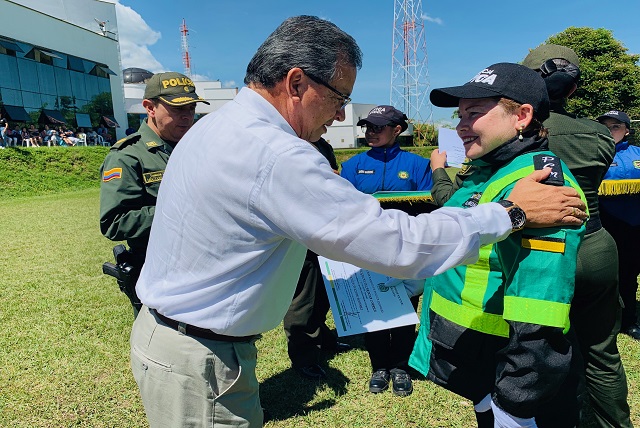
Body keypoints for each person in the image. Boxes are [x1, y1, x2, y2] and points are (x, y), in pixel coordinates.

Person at [130, 16, 587, 428]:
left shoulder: (221, 125)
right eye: (339, 97)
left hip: (183, 342)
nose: (342, 115)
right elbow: (398, 246)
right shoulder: (275, 153)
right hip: (201, 358)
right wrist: (512, 212)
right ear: (295, 82)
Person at [410, 62, 586, 427]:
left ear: (522, 117)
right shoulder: (487, 168)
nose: (460, 125)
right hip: (477, 359)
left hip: (508, 370)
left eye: (474, 113)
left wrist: (517, 402)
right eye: (459, 114)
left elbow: (539, 308)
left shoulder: (541, 187)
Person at [522, 45, 633, 428]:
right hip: (596, 243)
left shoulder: (516, 133)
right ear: (572, 89)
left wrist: (439, 171)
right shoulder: (599, 134)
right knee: (602, 352)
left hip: (542, 251)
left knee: (544, 349)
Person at [99, 71, 209, 318]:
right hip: (158, 272)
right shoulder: (127, 156)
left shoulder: (194, 149)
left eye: (191, 108)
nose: (187, 116)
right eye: (177, 109)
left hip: (200, 267)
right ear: (150, 108)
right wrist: (177, 210)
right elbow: (114, 223)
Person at [341, 105, 432, 397]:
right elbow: (341, 207)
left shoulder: (418, 166)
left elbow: (431, 208)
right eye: (368, 127)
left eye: (378, 127)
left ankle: (400, 366)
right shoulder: (352, 166)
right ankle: (379, 365)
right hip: (367, 250)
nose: (371, 132)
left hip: (406, 250)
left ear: (397, 129)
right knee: (374, 309)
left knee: (406, 308)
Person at [283, 136, 352, 380]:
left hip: (325, 229)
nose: (337, 116)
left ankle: (324, 338)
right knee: (304, 299)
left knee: (324, 294)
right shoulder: (286, 142)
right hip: (300, 233)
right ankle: (304, 356)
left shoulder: (322, 145)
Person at [597, 110, 640, 342]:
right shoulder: (592, 154)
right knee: (601, 276)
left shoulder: (638, 154)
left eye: (615, 126)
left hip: (634, 226)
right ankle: (601, 320)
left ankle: (629, 320)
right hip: (603, 224)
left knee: (628, 275)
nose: (609, 130)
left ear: (627, 130)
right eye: (605, 126)